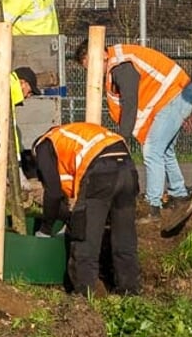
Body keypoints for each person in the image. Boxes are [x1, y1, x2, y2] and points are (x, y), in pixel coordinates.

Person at [73, 39, 192, 221]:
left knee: (152, 151)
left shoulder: (121, 66)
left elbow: (129, 102)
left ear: (103, 55)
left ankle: (152, 207)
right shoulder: (117, 62)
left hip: (175, 95)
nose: (92, 73)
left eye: (91, 66)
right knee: (165, 151)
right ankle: (179, 194)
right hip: (175, 93)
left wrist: (122, 139)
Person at [33, 122, 140, 296]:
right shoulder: (70, 134)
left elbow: (52, 193)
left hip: (101, 172)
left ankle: (84, 295)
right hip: (128, 168)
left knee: (85, 237)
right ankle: (129, 291)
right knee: (125, 237)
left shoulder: (44, 145)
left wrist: (45, 230)